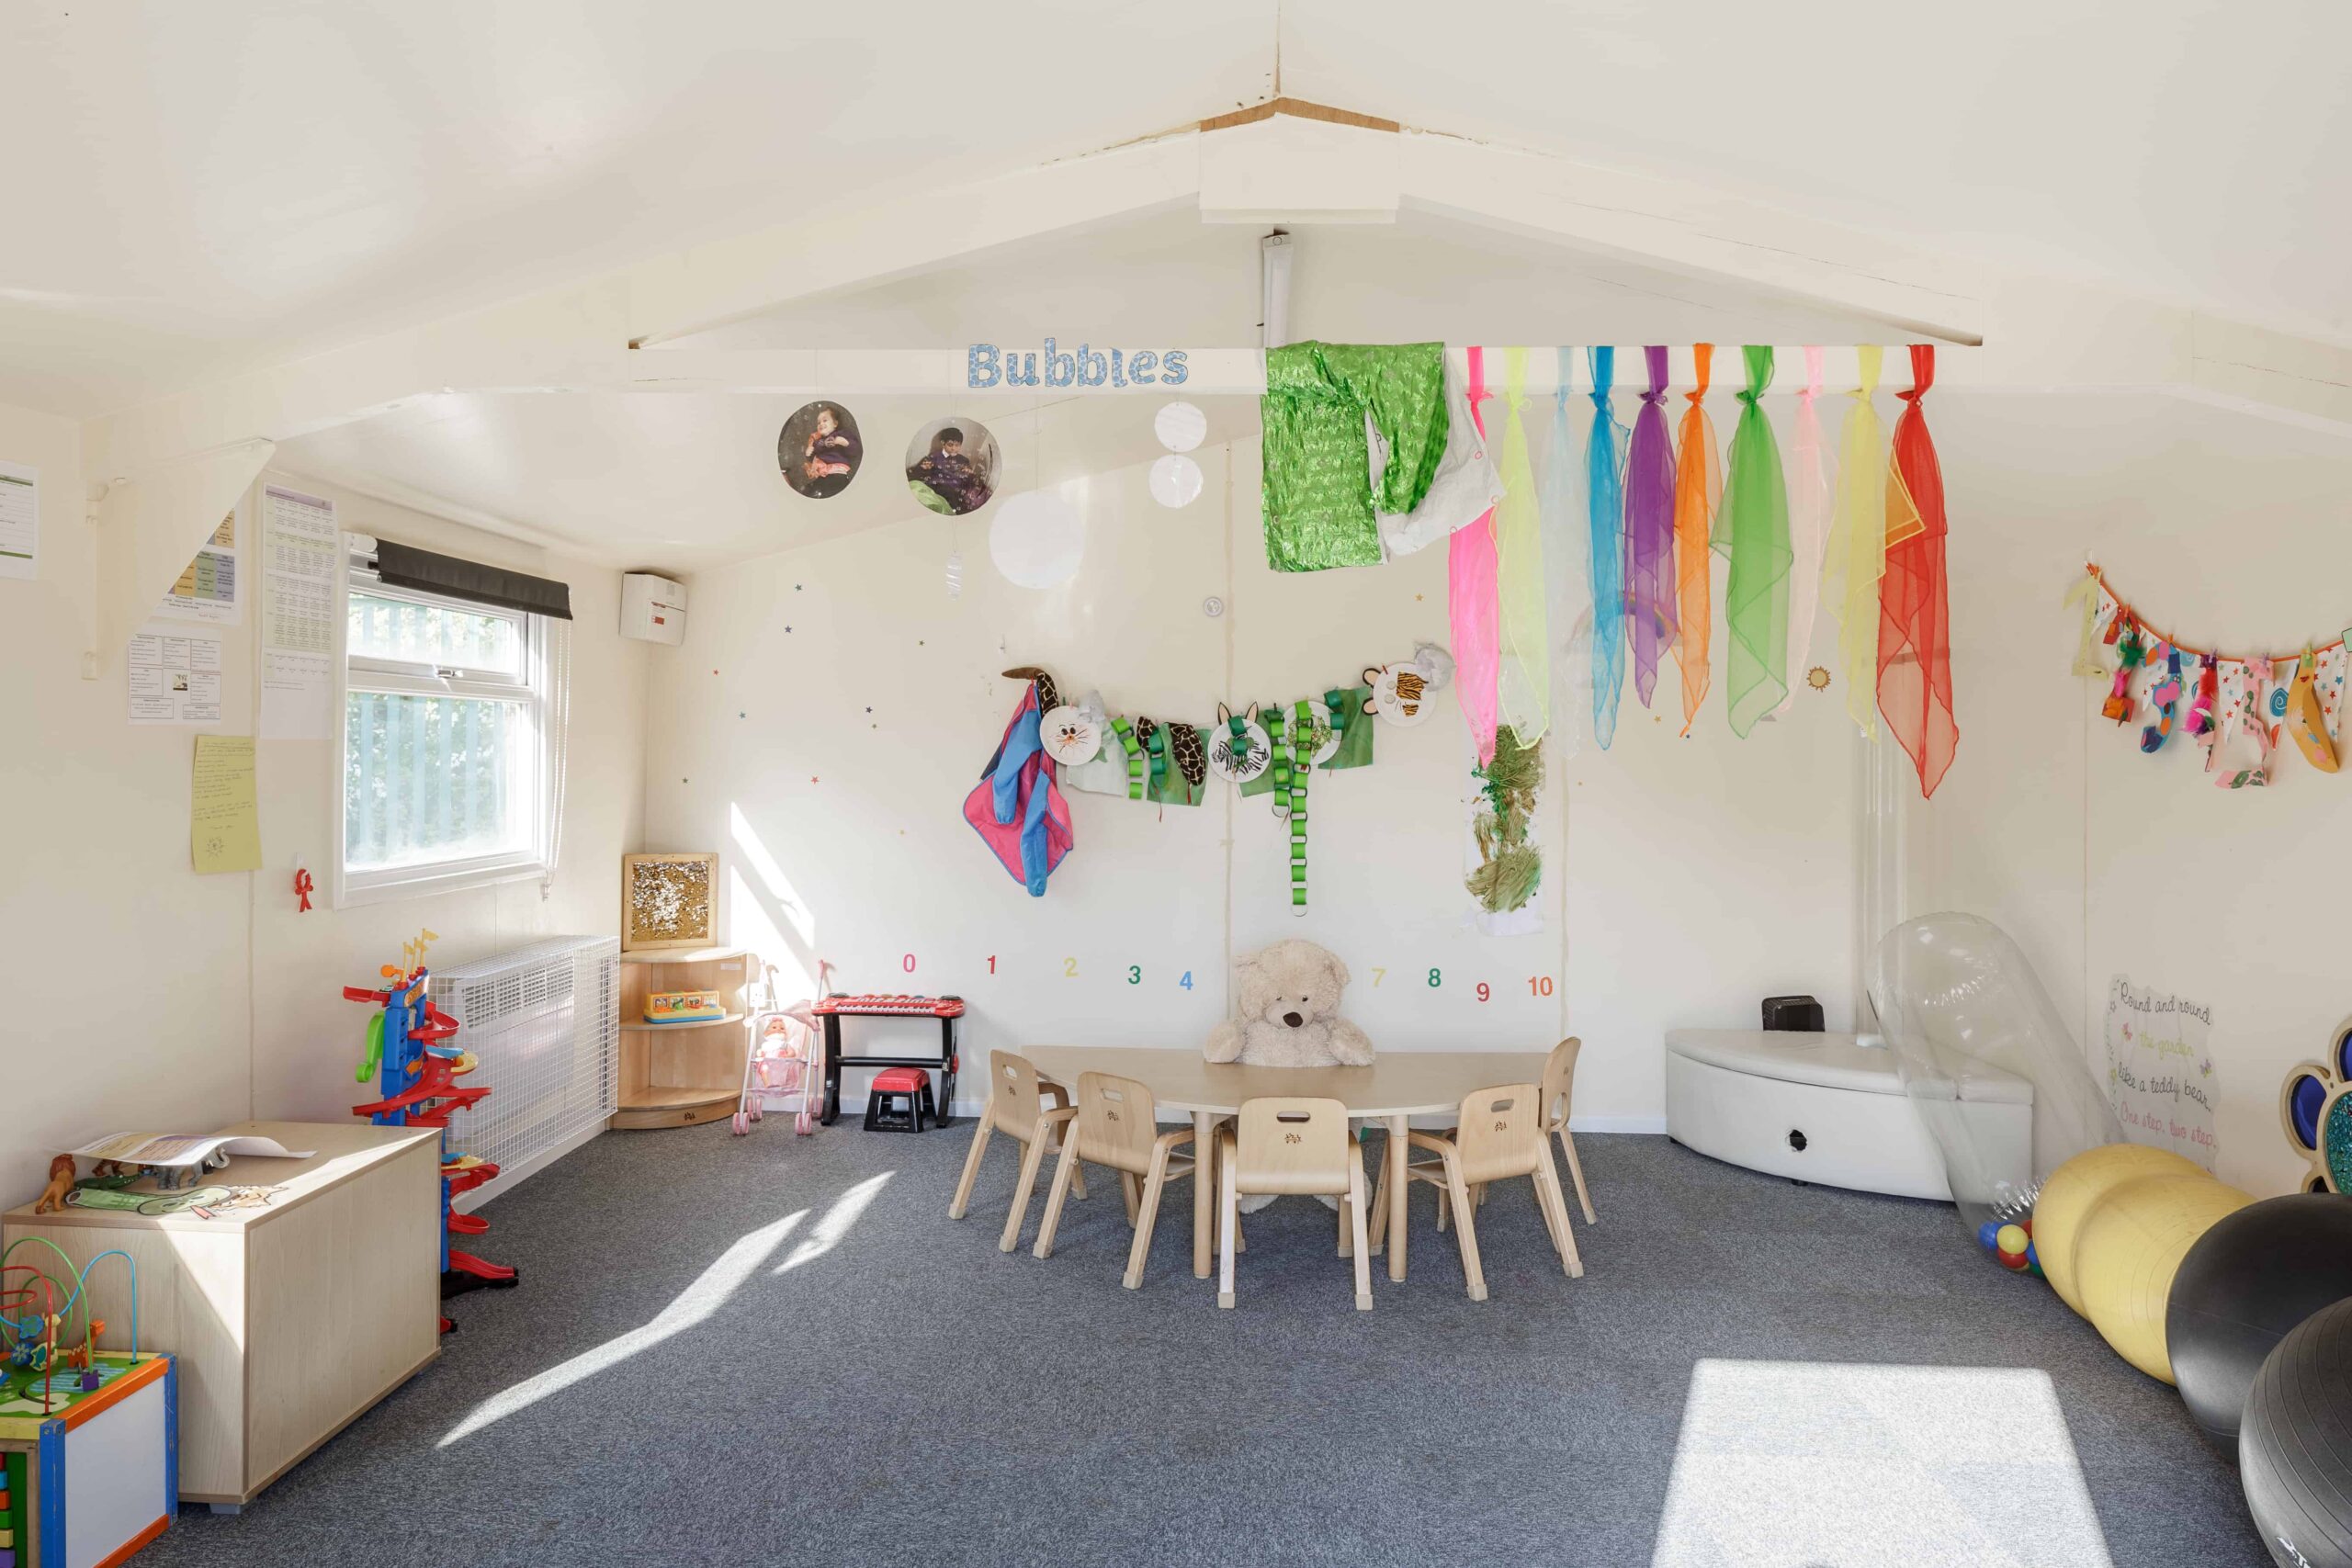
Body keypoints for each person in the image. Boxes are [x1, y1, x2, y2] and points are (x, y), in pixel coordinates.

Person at [907, 425, 992, 514]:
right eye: (950, 445)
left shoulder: (964, 459)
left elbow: (968, 474)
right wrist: (924, 468)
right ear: (943, 443)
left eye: (957, 445)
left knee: (974, 491)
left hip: (957, 489)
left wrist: (969, 472)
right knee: (947, 494)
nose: (953, 448)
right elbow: (921, 472)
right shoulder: (935, 456)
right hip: (940, 486)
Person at [791, 405, 860, 498]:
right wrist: (809, 452)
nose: (821, 424)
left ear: (835, 424)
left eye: (825, 420)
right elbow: (814, 458)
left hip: (837, 474)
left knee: (835, 492)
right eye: (818, 422)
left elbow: (855, 450)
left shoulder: (842, 434)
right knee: (808, 490)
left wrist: (845, 442)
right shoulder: (818, 441)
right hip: (822, 476)